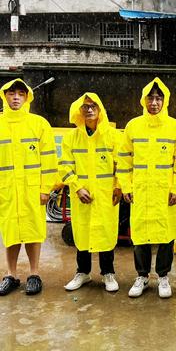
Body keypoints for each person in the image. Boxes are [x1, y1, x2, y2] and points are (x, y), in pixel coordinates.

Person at [117, 78, 176, 298]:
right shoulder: (133, 126)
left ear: (165, 101)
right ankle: (142, 276)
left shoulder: (175, 127)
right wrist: (126, 186)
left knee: (166, 235)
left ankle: (163, 276)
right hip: (140, 190)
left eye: (158, 98)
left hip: (165, 192)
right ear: (144, 100)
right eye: (151, 98)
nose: (154, 103)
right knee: (140, 235)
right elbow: (124, 159)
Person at [0, 78, 57, 296]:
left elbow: (49, 160)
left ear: (27, 97)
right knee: (11, 233)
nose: (16, 97)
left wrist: (45, 189)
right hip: (6, 190)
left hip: (32, 190)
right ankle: (11, 275)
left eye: (20, 94)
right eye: (11, 93)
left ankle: (34, 274)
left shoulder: (39, 124)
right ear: (4, 95)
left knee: (33, 232)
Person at [60, 93, 122, 292]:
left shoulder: (113, 136)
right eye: (85, 106)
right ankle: (83, 272)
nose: (89, 109)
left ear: (100, 108)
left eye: (93, 105)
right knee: (83, 232)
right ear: (79, 110)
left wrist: (119, 186)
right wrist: (77, 187)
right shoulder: (71, 138)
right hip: (82, 196)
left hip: (106, 195)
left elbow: (122, 164)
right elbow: (65, 165)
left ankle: (108, 273)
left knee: (106, 232)